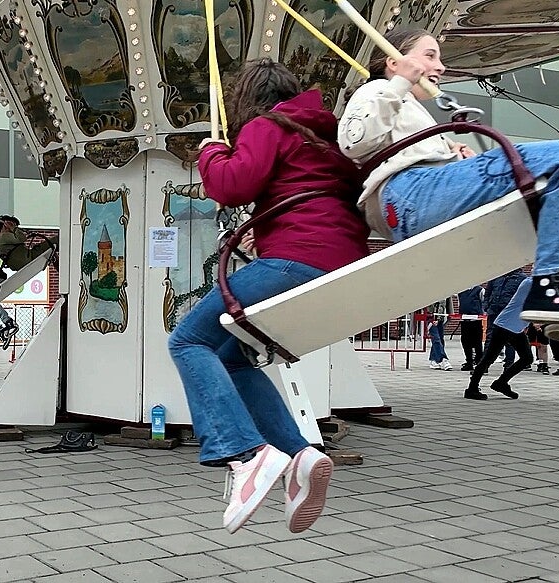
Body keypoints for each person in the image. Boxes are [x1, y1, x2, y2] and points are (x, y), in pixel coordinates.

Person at [168, 58, 369, 534]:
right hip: (343, 265)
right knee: (230, 358)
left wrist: (211, 152)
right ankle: (300, 456)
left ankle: (245, 453)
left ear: (249, 100)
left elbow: (231, 186)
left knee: (188, 340)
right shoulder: (328, 137)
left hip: (294, 260)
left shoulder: (270, 125)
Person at [338, 28, 559, 329]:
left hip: (418, 194)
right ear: (393, 61)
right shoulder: (376, 90)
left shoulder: (408, 106)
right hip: (407, 193)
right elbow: (354, 142)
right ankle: (553, 287)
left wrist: (454, 158)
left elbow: (400, 148)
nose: (440, 66)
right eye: (430, 56)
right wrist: (400, 82)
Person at [465, 279, 534, 400]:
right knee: (489, 358)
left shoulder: (536, 284)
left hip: (515, 328)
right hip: (504, 325)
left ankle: (501, 383)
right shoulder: (529, 283)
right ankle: (472, 389)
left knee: (527, 358)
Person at [457, 285, 484, 370]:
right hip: (464, 321)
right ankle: (469, 362)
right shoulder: (461, 291)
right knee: (465, 341)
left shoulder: (480, 290)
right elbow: (460, 304)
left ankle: (479, 361)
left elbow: (484, 302)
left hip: (476, 321)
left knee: (477, 342)